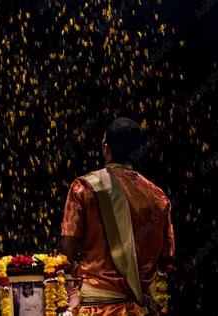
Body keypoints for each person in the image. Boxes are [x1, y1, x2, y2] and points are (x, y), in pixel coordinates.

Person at [61, 117, 175, 315]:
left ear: (106, 147)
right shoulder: (158, 197)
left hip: (96, 309)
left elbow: (68, 251)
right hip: (142, 309)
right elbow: (167, 258)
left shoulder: (85, 188)